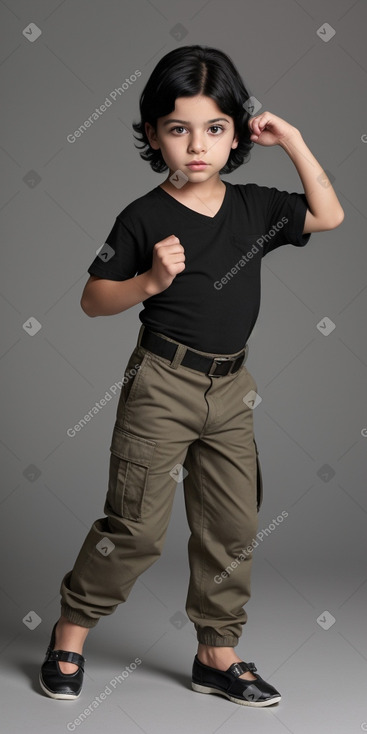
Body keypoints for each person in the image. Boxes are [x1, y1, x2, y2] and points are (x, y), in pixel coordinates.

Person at [39, 44, 344, 707]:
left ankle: (216, 652)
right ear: (153, 134)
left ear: (236, 133)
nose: (196, 146)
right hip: (162, 382)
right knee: (137, 527)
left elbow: (328, 214)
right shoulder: (142, 216)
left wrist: (289, 138)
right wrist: (149, 279)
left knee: (232, 526)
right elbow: (94, 298)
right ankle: (69, 633)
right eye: (177, 129)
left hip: (231, 388)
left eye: (213, 128)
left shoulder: (256, 207)